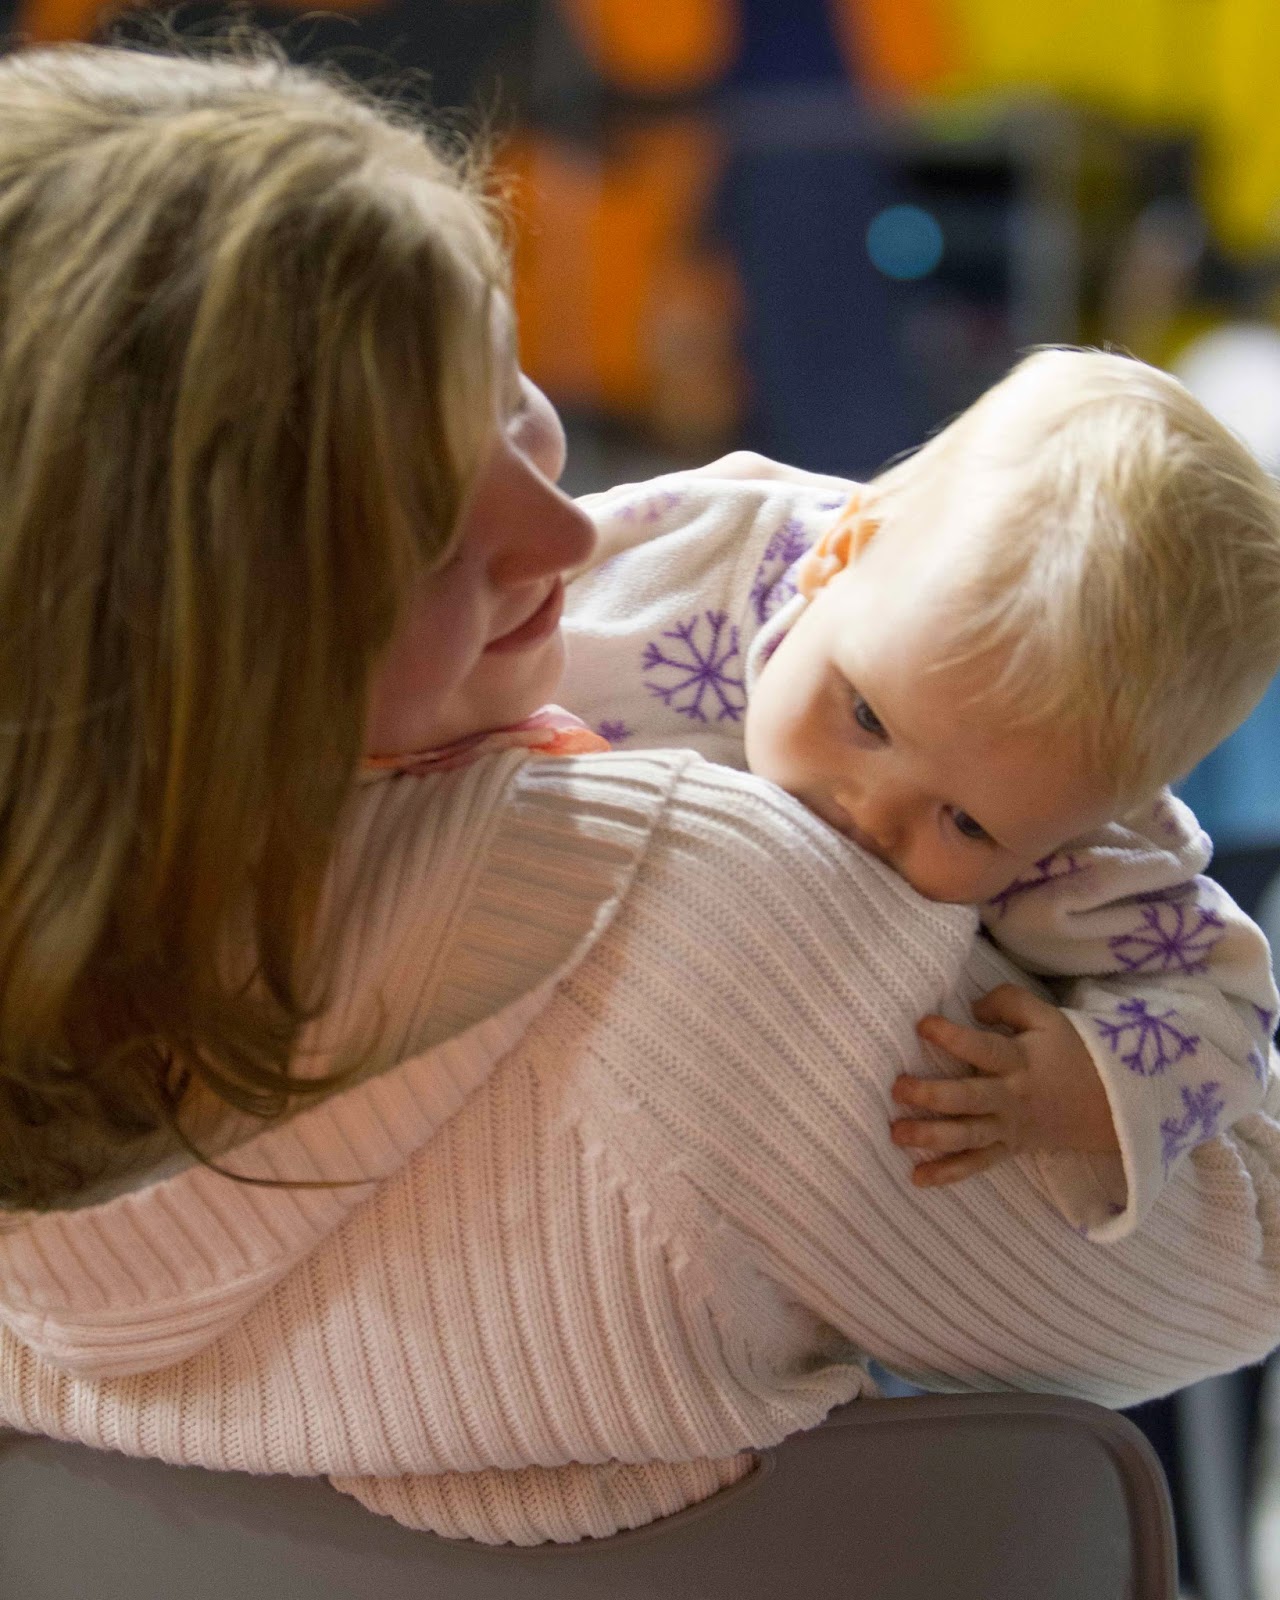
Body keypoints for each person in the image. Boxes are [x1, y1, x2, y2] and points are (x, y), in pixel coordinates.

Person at [1, 38, 1280, 1552]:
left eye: (508, 391)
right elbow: (1239, 1263)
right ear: (203, 624)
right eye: (425, 509)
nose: (567, 532)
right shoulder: (714, 931)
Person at [561, 349, 1280, 1240]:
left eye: (968, 824)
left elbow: (1230, 1015)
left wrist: (1082, 1089)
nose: (869, 811)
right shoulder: (693, 549)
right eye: (867, 715)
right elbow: (485, 602)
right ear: (842, 555)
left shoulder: (1082, 848)